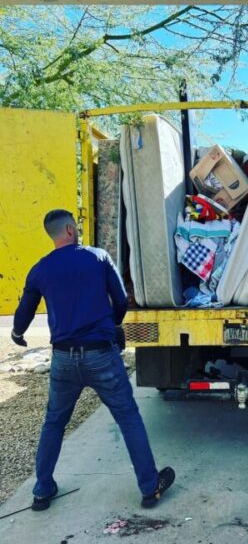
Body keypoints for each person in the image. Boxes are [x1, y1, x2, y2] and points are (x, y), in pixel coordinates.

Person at [11, 209, 174, 511]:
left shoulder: (40, 270)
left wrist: (18, 333)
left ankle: (42, 490)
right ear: (71, 230)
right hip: (101, 355)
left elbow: (24, 313)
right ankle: (150, 488)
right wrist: (110, 325)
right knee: (128, 418)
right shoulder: (97, 257)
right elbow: (121, 299)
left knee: (54, 422)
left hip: (63, 359)